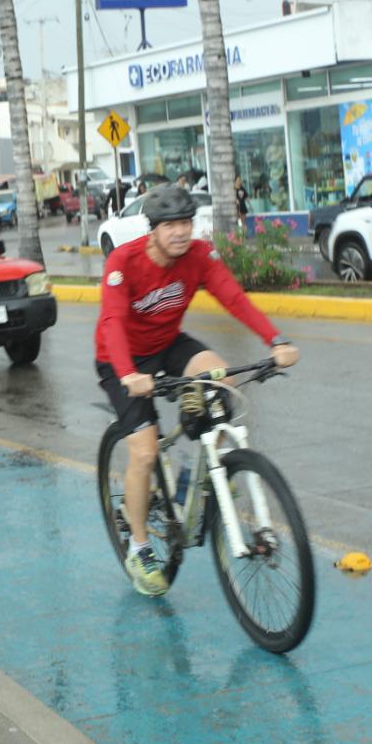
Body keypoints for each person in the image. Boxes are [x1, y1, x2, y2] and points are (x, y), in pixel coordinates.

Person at [94, 183, 299, 597]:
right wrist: (129, 375)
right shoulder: (124, 261)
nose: (181, 232)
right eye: (171, 225)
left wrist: (274, 341)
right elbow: (113, 321)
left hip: (168, 345)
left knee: (219, 377)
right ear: (152, 229)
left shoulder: (200, 256)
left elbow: (234, 299)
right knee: (145, 451)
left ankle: (197, 470)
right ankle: (140, 546)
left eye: (186, 222)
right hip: (122, 361)